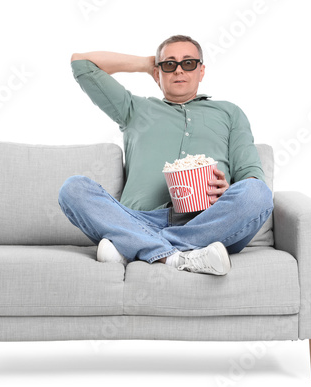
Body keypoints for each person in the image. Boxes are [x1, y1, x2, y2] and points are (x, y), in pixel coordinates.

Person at [58, 35, 273, 276]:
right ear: (158, 73)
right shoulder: (135, 110)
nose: (179, 70)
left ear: (201, 71)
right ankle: (177, 257)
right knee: (73, 188)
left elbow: (251, 175)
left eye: (188, 63)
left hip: (209, 221)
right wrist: (147, 63)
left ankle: (135, 245)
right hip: (138, 219)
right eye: (169, 64)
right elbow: (81, 63)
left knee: (258, 194)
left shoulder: (230, 113)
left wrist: (228, 190)